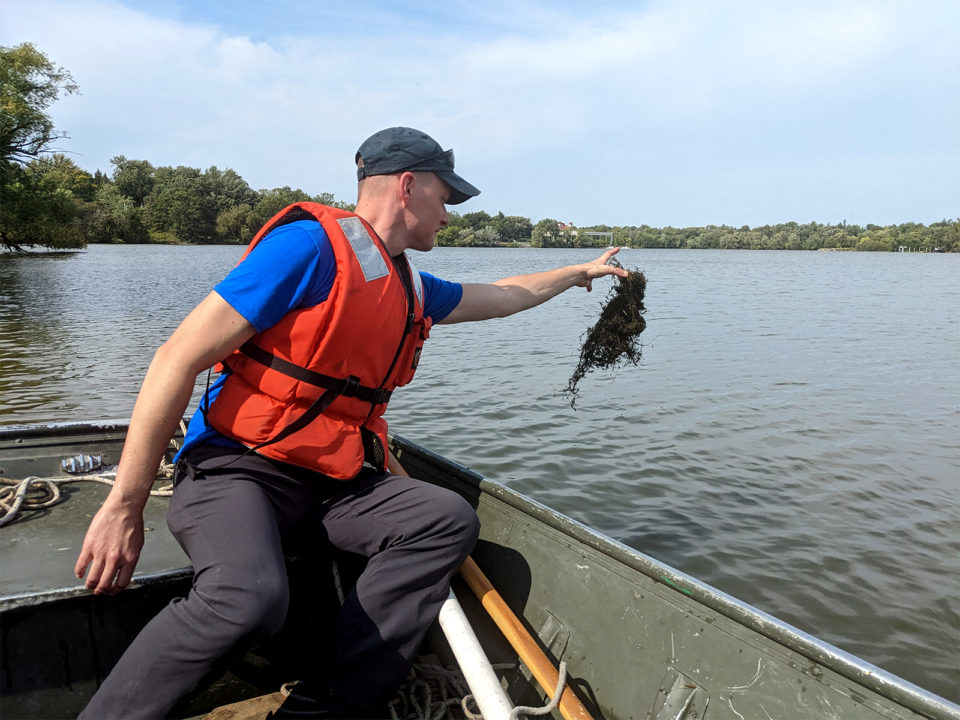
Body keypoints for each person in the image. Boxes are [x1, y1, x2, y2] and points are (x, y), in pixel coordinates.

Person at [74, 126, 628, 719]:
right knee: (249, 600)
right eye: (445, 198)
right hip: (238, 469)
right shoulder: (308, 249)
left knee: (442, 518)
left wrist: (576, 274)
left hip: (331, 481)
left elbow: (501, 295)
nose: (448, 216)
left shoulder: (409, 282)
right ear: (408, 185)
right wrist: (124, 505)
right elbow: (176, 357)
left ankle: (325, 708)